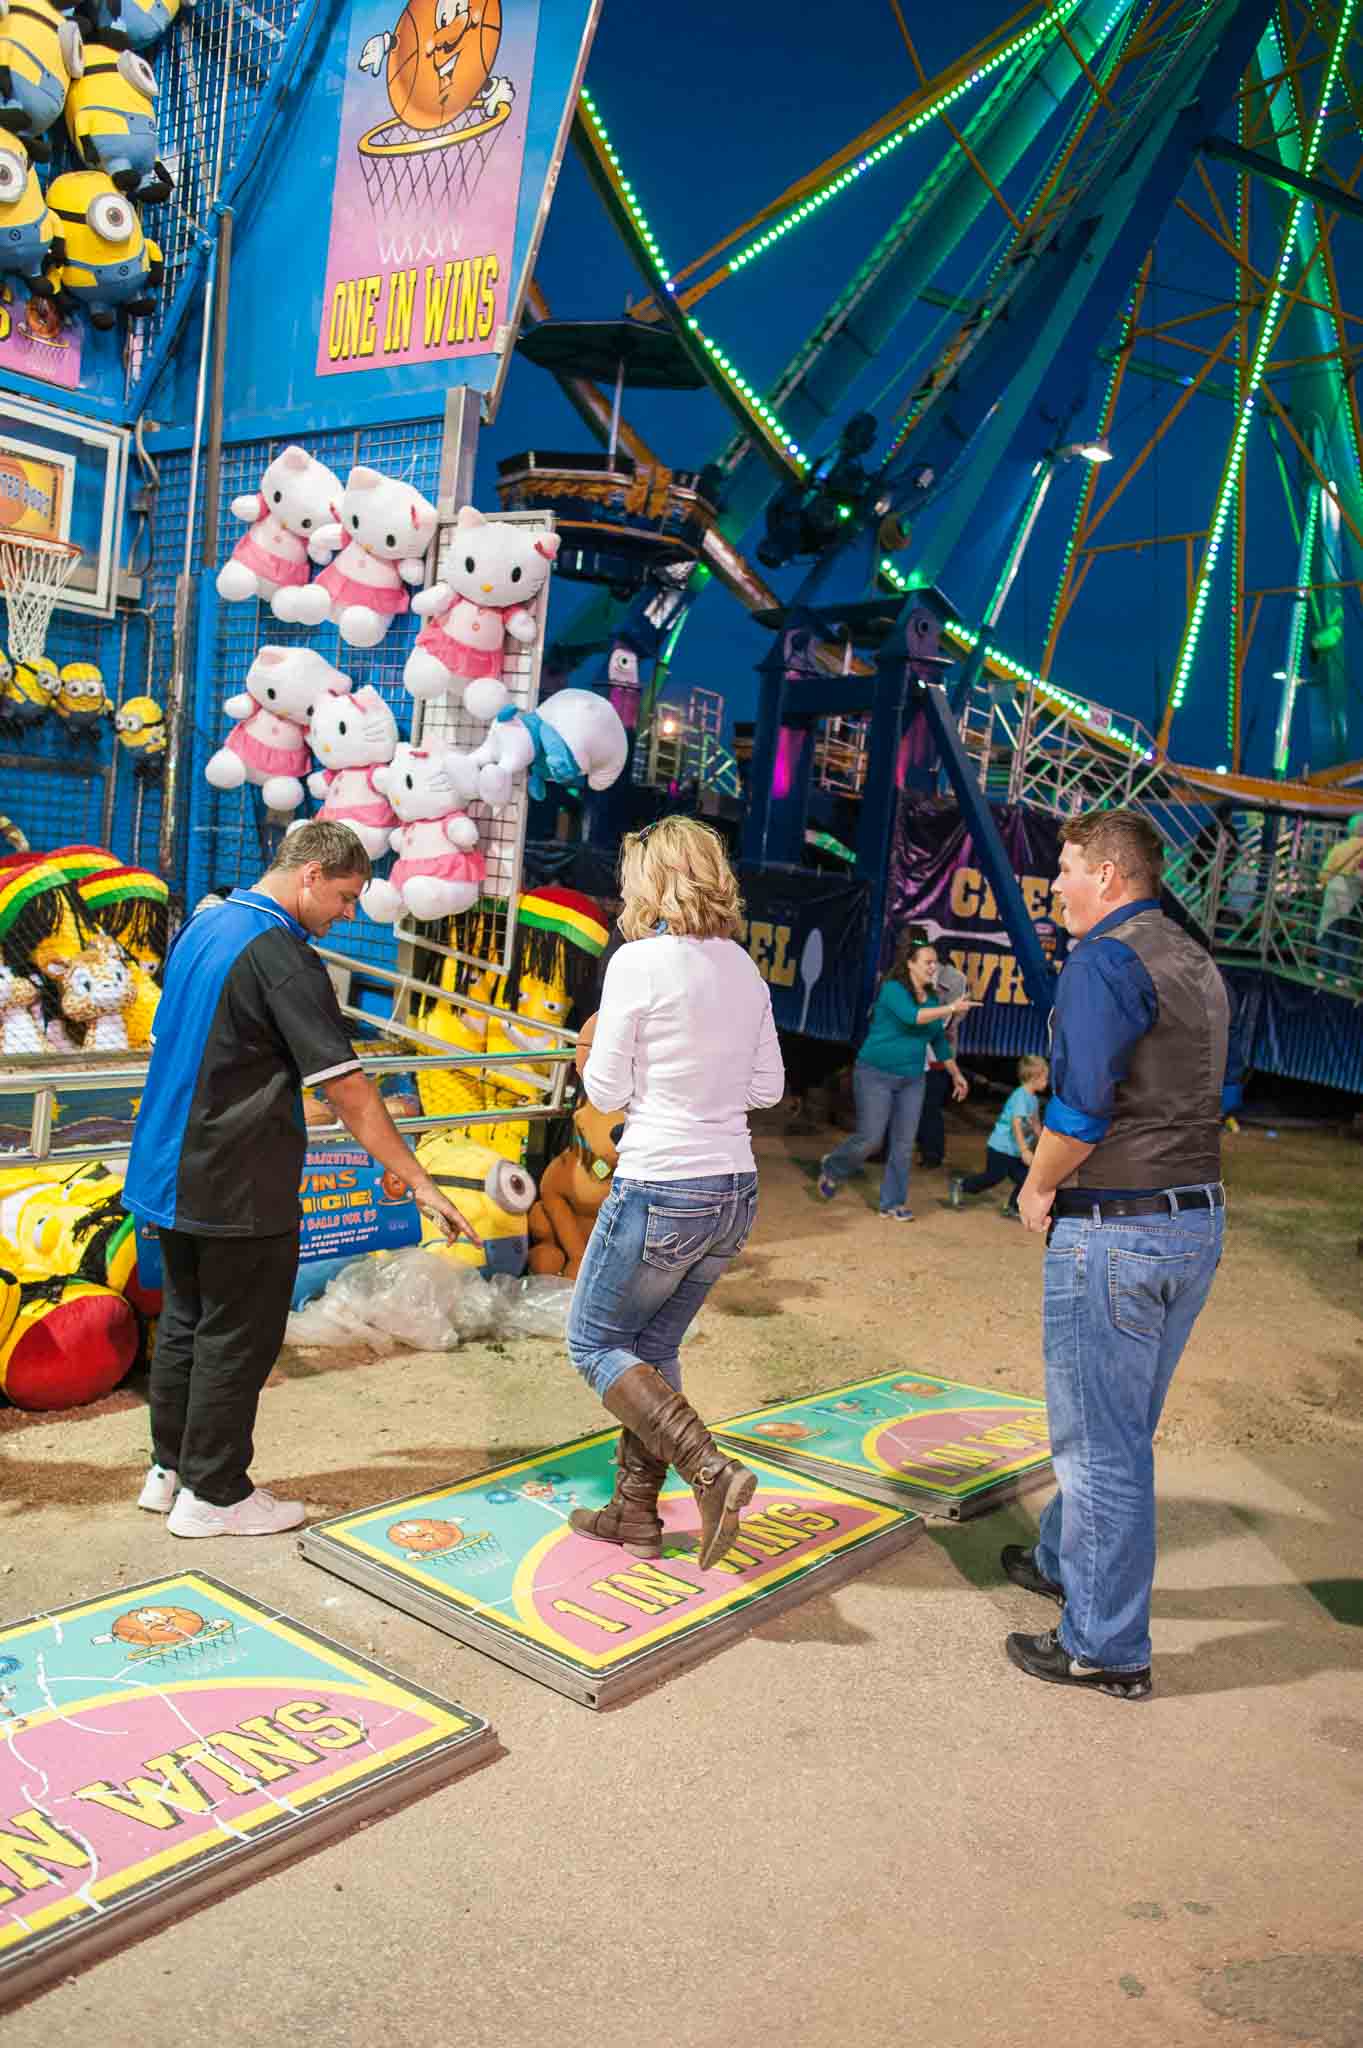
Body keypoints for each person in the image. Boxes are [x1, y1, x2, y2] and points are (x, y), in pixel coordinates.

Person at [123, 822, 480, 1539]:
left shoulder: (206, 924)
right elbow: (348, 1087)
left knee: (189, 1324)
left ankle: (170, 1471)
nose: (348, 914)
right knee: (238, 1336)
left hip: (167, 1168)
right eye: (345, 897)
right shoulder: (283, 956)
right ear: (312, 874)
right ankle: (216, 1494)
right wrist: (414, 1176)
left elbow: (195, 1044)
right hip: (234, 1181)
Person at [1005, 807, 1229, 1703]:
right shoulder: (1190, 956)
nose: (1055, 885)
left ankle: (1104, 1645)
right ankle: (1066, 1561)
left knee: (1099, 1446)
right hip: (1193, 1221)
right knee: (1118, 1426)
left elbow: (1080, 1111)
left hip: (1118, 1233)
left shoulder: (1103, 960)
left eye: (1064, 869)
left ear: (1106, 874)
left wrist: (1035, 1185)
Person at [564, 815, 785, 1571]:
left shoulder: (638, 962)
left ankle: (709, 1471)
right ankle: (632, 1513)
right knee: (652, 1348)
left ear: (650, 882)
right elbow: (768, 1087)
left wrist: (589, 1053)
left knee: (592, 1343)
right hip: (733, 1189)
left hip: (662, 1181)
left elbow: (606, 1087)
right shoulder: (743, 969)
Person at [817, 933, 972, 1220]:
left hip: (912, 1079)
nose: (932, 968)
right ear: (910, 965)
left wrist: (955, 1073)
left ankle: (892, 1203)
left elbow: (937, 1039)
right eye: (927, 962)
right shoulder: (892, 990)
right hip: (875, 1073)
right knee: (871, 1138)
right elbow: (911, 1017)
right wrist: (951, 1008)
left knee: (903, 1144)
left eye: (935, 963)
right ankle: (833, 1167)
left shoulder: (933, 998)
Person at [950, 1055, 1048, 1217]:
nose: (1047, 1081)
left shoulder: (1033, 1099)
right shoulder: (1020, 1096)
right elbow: (1016, 1123)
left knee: (1027, 1179)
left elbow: (1036, 1124)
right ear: (1033, 1077)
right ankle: (961, 1185)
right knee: (992, 1177)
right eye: (1045, 1077)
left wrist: (1044, 1145)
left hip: (1015, 1151)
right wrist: (1025, 1150)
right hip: (1001, 1148)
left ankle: (1013, 1207)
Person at [917, 937, 968, 1170]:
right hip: (913, 1052)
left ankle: (932, 1153)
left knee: (929, 1105)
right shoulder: (914, 976)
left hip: (937, 1056)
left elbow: (947, 1022)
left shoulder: (955, 980)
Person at [1316, 814, 1363, 981]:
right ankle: (1342, 976)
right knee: (1349, 935)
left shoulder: (1339, 848)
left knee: (1328, 930)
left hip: (1335, 891)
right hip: (1355, 898)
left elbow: (1323, 875)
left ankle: (1322, 970)